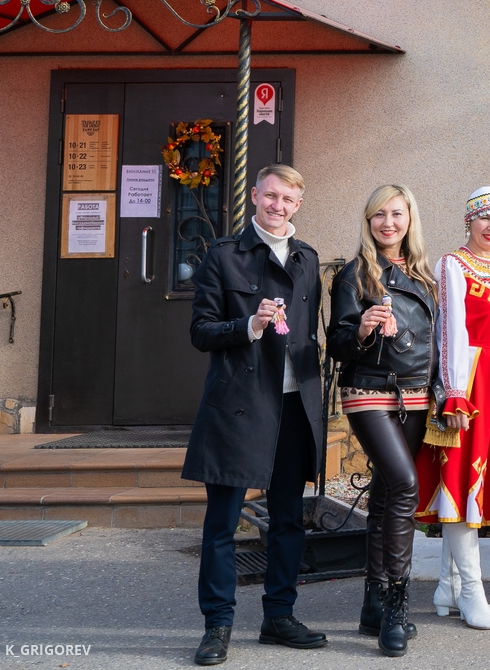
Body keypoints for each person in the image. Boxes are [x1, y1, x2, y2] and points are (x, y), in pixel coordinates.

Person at [185, 165, 328, 666]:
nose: (278, 206)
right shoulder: (224, 255)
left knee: (288, 518)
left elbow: (308, 336)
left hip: (294, 404)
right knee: (222, 523)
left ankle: (279, 617)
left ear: (298, 204)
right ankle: (217, 625)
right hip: (239, 405)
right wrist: (248, 325)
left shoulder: (308, 258)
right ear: (254, 195)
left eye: (288, 199)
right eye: (271, 196)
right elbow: (200, 331)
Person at [327, 184, 437, 657]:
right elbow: (337, 344)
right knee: (406, 485)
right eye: (379, 215)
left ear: (410, 219)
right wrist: (363, 328)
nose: (387, 223)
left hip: (416, 395)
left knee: (387, 493)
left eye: (396, 214)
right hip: (369, 390)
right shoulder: (355, 273)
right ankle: (396, 604)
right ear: (368, 221)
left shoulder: (424, 274)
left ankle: (372, 603)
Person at [416, 187, 490, 631]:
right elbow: (449, 332)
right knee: (462, 481)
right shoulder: (452, 264)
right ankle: (472, 591)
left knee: (476, 484)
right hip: (471, 378)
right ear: (469, 222)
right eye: (484, 218)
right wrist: (454, 391)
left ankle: (449, 586)